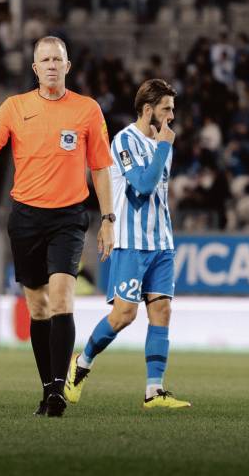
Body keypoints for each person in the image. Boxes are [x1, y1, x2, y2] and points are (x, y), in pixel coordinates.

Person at [0, 36, 115, 417]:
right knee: (37, 307)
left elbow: (101, 167)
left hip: (69, 217)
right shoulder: (14, 107)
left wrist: (107, 219)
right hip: (26, 218)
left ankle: (57, 392)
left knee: (61, 299)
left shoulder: (87, 110)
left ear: (68, 67)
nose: (52, 65)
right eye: (45, 60)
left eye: (58, 59)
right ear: (35, 68)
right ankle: (47, 386)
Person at [65, 78, 191, 409]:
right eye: (166, 109)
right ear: (148, 109)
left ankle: (154, 391)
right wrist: (164, 146)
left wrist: (164, 145)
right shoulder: (124, 142)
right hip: (131, 242)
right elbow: (144, 185)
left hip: (161, 241)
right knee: (124, 315)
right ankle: (82, 362)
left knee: (162, 310)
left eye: (173, 109)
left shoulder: (164, 141)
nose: (171, 116)